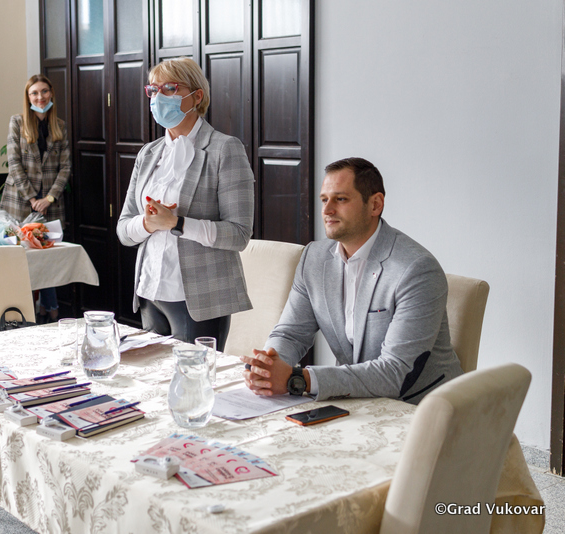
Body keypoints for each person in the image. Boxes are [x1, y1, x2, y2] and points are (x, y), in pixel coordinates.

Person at [241, 157, 463, 405]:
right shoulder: (314, 258)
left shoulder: (416, 269)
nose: (327, 210)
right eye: (324, 200)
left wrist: (299, 379)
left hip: (422, 407)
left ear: (375, 205)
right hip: (355, 401)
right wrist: (268, 366)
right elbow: (291, 334)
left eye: (341, 199)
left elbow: (396, 372)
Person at [116, 58, 254, 350]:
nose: (158, 97)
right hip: (150, 292)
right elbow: (124, 229)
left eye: (169, 88)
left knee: (193, 377)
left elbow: (239, 235)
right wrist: (146, 223)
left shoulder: (225, 149)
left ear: (197, 96)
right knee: (153, 375)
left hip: (199, 298)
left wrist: (176, 223)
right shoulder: (148, 154)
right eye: (153, 90)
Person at [0, 74, 71, 322]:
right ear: (28, 97)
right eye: (34, 93)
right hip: (20, 202)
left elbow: (65, 167)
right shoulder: (17, 122)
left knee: (47, 259)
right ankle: (25, 315)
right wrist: (32, 198)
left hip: (50, 204)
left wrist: (49, 198)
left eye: (44, 91)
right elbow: (14, 164)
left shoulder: (59, 126)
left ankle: (50, 311)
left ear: (51, 94)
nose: (40, 97)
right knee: (22, 262)